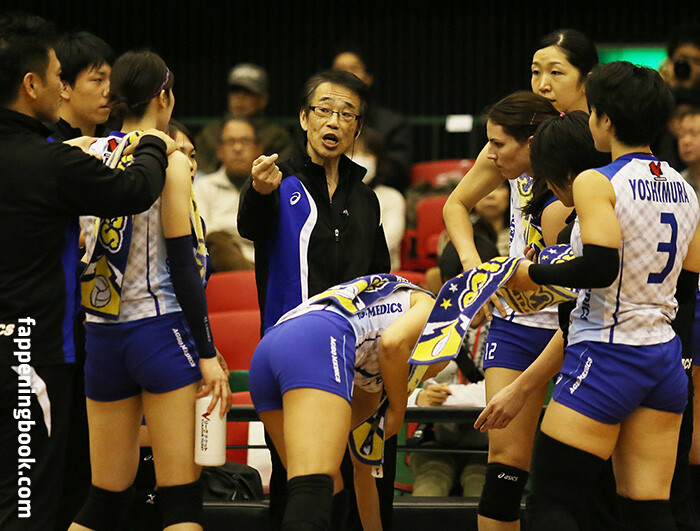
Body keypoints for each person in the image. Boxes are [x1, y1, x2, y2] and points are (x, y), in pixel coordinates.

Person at [485, 62, 700, 530]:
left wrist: (531, 273)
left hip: (608, 351)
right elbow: (689, 282)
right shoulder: (685, 188)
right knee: (647, 507)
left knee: (551, 501)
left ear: (604, 119)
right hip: (664, 357)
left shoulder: (596, 180)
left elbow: (602, 267)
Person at [0, 13, 176, 531]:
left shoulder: (48, 156)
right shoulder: (45, 160)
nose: (62, 86)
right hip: (29, 350)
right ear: (31, 84)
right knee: (28, 502)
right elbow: (134, 190)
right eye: (59, 75)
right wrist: (152, 139)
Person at [442, 29, 599, 530]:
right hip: (517, 322)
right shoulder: (513, 136)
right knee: (505, 463)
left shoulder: (599, 154)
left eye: (556, 72)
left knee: (575, 470)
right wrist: (475, 270)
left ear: (586, 80)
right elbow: (456, 204)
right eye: (536, 71)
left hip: (581, 324)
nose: (543, 83)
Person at [69, 50, 231, 531]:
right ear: (164, 97)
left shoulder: (85, 153)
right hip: (158, 333)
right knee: (180, 502)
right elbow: (182, 265)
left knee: (103, 501)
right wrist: (206, 352)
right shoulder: (170, 160)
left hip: (101, 337)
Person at [237, 68, 392, 529]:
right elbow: (249, 225)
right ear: (305, 118)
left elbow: (380, 278)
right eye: (325, 110)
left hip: (355, 358)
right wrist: (258, 190)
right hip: (295, 356)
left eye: (347, 114)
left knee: (353, 482)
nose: (334, 121)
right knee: (301, 483)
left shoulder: (366, 199)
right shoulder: (276, 182)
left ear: (357, 128)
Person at [248, 274, 443, 530]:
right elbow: (394, 344)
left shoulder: (369, 375)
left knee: (324, 493)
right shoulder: (432, 309)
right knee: (314, 487)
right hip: (317, 340)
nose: (416, 376)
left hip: (269, 349)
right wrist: (398, 410)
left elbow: (363, 471)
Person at [332, 45, 412, 193]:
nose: (346, 74)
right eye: (339, 69)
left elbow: (399, 169)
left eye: (353, 68)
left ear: (368, 78)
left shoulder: (393, 124)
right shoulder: (316, 120)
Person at [195, 63, 294, 174]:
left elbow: (283, 172)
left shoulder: (277, 137)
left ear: (263, 99)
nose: (239, 98)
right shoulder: (210, 134)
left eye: (248, 93)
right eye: (235, 91)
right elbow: (199, 170)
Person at [193, 117, 262, 269]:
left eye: (245, 141)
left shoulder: (270, 187)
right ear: (220, 151)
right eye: (230, 142)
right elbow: (202, 234)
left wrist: (226, 228)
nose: (238, 148)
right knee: (216, 241)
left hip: (265, 261)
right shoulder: (204, 187)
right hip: (222, 262)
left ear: (258, 149)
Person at [351, 126, 406, 270]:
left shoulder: (392, 197)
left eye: (366, 153)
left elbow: (390, 239)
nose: (360, 159)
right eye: (353, 152)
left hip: (383, 275)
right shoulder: (331, 196)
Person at [51, 31, 113, 140]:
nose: (109, 92)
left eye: (112, 80)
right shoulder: (40, 144)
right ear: (63, 87)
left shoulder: (116, 143)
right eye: (98, 80)